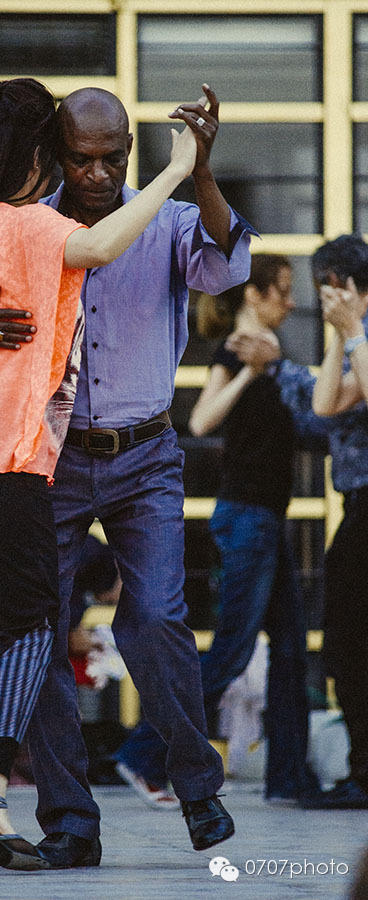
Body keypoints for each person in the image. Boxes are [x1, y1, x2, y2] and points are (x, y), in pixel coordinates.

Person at [0, 83, 255, 865]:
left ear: (129, 150)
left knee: (155, 618)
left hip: (145, 454)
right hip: (46, 458)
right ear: (54, 152)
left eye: (113, 157)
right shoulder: (28, 222)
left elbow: (228, 268)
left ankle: (196, 784)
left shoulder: (163, 221)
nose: (97, 173)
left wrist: (196, 174)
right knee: (39, 636)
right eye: (81, 158)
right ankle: (70, 821)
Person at [226, 235, 368, 810]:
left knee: (354, 640)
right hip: (357, 504)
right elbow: (325, 407)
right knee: (344, 642)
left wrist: (355, 331)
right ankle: (361, 769)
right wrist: (342, 337)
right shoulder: (351, 335)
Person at [188, 255, 321, 803]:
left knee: (289, 650)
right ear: (253, 296)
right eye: (282, 292)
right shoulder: (238, 350)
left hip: (265, 519)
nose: (290, 303)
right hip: (247, 519)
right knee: (233, 650)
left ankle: (290, 779)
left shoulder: (269, 354)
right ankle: (145, 751)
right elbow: (199, 421)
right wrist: (250, 373)